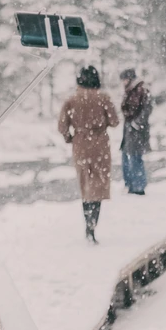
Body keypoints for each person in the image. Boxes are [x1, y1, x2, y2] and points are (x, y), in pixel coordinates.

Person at [57, 66, 120, 243]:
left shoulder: (72, 100)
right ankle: (93, 223)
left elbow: (62, 126)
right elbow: (114, 121)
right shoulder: (103, 98)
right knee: (98, 186)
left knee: (85, 184)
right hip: (100, 145)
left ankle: (87, 223)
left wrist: (69, 137)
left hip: (80, 145)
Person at [118, 68, 152, 195]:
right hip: (129, 130)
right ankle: (131, 184)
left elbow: (147, 109)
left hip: (137, 131)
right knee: (127, 156)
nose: (123, 82)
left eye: (124, 79)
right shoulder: (130, 91)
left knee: (135, 157)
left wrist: (136, 123)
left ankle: (138, 186)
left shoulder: (141, 90)